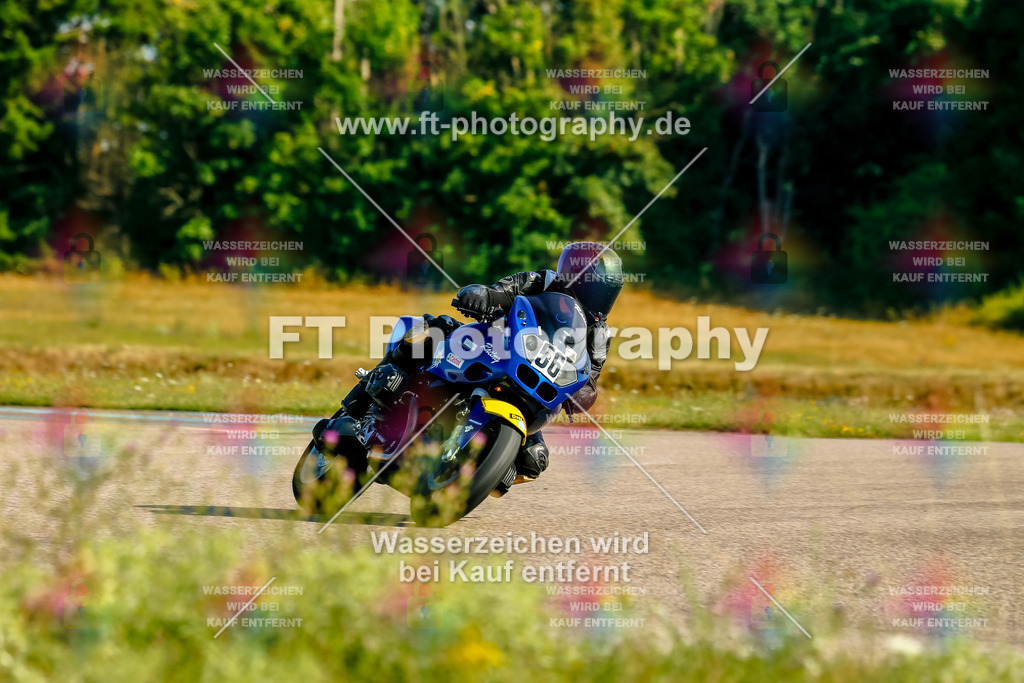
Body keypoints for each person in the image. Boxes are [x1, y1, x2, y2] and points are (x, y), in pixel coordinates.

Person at [313, 241, 624, 485]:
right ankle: (358, 407)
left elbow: (590, 377)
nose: (601, 297)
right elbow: (505, 289)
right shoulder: (542, 281)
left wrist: (581, 396)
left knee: (534, 459)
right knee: (428, 332)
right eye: (597, 287)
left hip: (531, 387)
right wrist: (483, 295)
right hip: (490, 349)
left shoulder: (600, 334)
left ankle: (473, 472)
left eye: (608, 291)